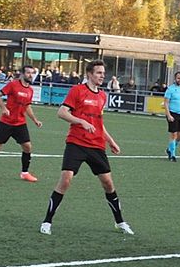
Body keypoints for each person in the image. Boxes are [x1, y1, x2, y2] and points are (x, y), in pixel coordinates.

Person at [40, 60, 133, 236]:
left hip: (96, 145)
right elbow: (61, 112)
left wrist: (110, 141)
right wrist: (81, 121)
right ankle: (47, 221)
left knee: (108, 183)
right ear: (89, 74)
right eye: (98, 73)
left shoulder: (102, 96)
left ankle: (120, 222)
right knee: (66, 179)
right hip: (76, 143)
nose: (102, 76)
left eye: (103, 73)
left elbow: (99, 123)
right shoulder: (77, 90)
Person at [0, 65, 43, 182]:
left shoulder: (30, 90)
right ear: (22, 74)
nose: (30, 75)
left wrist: (35, 120)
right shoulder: (13, 85)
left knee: (27, 147)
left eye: (32, 73)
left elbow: (27, 106)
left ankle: (24, 173)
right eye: (28, 73)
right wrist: (4, 108)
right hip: (6, 122)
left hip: (20, 123)